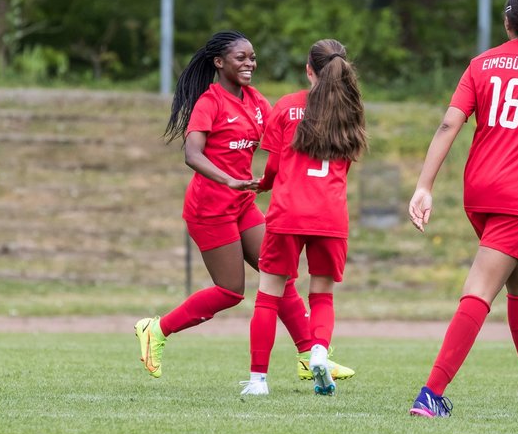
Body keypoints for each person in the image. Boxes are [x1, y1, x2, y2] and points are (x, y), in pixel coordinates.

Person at [135, 30, 355, 384]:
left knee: (279, 278)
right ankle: (157, 329)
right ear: (219, 63)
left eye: (252, 57)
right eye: (241, 58)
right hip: (210, 208)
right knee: (231, 291)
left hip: (243, 204)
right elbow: (192, 154)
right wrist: (228, 179)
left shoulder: (257, 102)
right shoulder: (210, 102)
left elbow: (288, 134)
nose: (250, 63)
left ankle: (307, 356)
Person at [406, 0, 518, 418]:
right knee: (480, 291)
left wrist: (424, 185)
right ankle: (431, 392)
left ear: (507, 23)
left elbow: (450, 123)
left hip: (479, 192)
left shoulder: (481, 63)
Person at [242, 39, 369, 397]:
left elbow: (273, 166)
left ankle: (258, 381)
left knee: (269, 294)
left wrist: (263, 185)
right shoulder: (351, 110)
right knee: (323, 296)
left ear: (309, 70)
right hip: (330, 216)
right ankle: (317, 353)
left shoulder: (286, 106)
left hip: (287, 212)